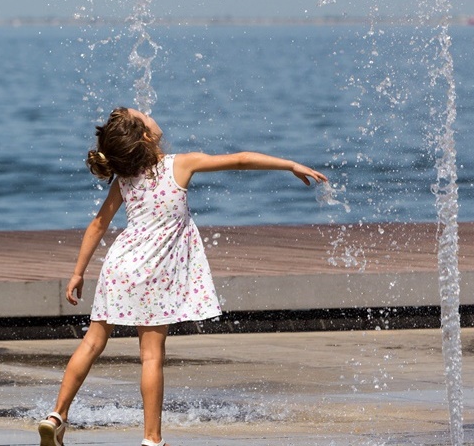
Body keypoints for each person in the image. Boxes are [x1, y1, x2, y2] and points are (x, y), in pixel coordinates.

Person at [38, 107, 327, 446]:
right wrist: (289, 164)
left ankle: (56, 416)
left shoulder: (124, 179)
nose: (149, 113)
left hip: (119, 268)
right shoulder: (180, 165)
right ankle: (152, 439)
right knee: (151, 356)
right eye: (144, 115)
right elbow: (239, 160)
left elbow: (98, 225)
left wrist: (78, 273)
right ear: (147, 136)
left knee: (92, 343)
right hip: (153, 274)